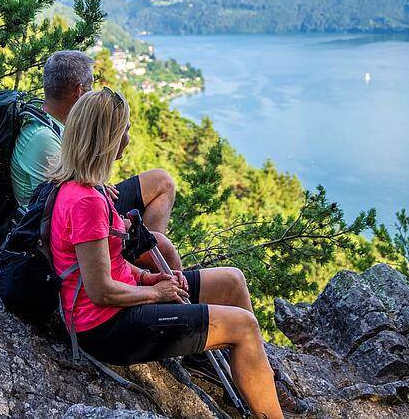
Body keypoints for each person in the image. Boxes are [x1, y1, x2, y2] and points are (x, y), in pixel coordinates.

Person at [47, 88, 308, 418]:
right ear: (108, 139)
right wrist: (156, 293)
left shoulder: (92, 189)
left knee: (232, 281)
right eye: (125, 130)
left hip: (121, 304)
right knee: (243, 326)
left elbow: (111, 264)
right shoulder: (86, 202)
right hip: (106, 328)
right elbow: (101, 291)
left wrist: (147, 278)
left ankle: (255, 376)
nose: (128, 137)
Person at [12, 50, 182, 269]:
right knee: (159, 215)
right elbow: (60, 201)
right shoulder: (44, 139)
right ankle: (140, 259)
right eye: (90, 86)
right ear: (79, 91)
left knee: (161, 181)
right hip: (57, 227)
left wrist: (96, 185)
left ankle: (145, 254)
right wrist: (99, 192)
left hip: (82, 202)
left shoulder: (48, 122)